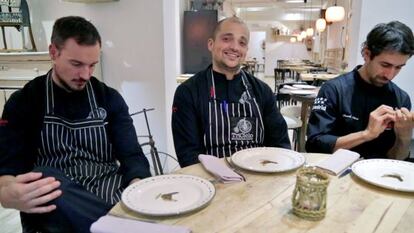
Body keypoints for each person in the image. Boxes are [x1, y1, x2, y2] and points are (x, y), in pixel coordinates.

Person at [0, 16, 151, 232]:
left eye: (92, 65)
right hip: (55, 207)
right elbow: (7, 171)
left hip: (108, 197)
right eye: (76, 64)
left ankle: (112, 224)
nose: (85, 75)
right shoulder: (24, 102)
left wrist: (139, 188)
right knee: (45, 177)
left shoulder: (109, 99)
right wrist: (7, 194)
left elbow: (132, 156)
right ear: (53, 52)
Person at [172, 17, 291, 167]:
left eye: (242, 42)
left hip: (258, 176)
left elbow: (280, 144)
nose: (235, 47)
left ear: (246, 50)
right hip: (210, 179)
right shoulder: (188, 92)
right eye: (227, 39)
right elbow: (188, 155)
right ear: (211, 44)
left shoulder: (262, 91)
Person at [306, 21, 414, 160]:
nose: (390, 74)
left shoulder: (401, 98)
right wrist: (366, 134)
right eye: (385, 65)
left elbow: (395, 161)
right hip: (335, 172)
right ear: (366, 54)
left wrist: (404, 137)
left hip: (378, 175)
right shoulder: (334, 89)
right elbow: (314, 145)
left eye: (399, 67)